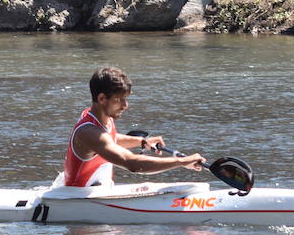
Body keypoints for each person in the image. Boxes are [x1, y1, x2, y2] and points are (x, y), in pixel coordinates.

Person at [60, 67, 202, 188]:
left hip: (95, 191)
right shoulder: (89, 133)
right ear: (102, 98)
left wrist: (141, 142)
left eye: (125, 99)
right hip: (76, 199)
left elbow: (109, 140)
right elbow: (132, 164)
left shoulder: (98, 115)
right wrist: (182, 161)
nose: (125, 105)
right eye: (119, 100)